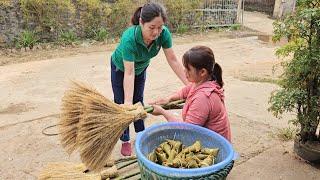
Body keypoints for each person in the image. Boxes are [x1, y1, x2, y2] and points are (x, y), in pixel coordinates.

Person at [110, 2, 188, 156]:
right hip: (121, 69)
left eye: (159, 27)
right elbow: (129, 72)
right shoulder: (129, 38)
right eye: (151, 27)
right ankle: (125, 139)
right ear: (141, 22)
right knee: (122, 104)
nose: (156, 32)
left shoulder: (163, 34)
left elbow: (172, 60)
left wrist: (190, 84)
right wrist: (127, 103)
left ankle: (140, 134)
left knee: (138, 100)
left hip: (141, 68)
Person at [150, 46, 231, 142]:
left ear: (202, 72)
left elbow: (187, 129)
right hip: (204, 137)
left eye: (188, 69)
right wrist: (169, 99)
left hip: (212, 145)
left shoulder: (203, 98)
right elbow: (184, 91)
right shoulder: (202, 81)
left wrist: (163, 112)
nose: (184, 71)